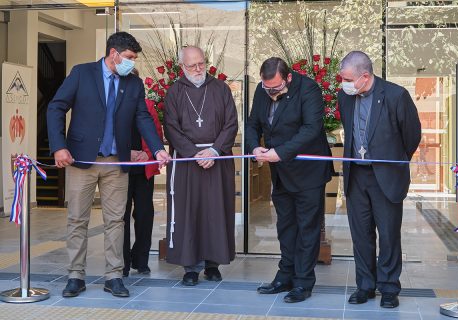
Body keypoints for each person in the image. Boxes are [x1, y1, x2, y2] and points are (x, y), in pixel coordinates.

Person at [47, 32, 170, 298]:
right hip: (82, 159)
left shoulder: (134, 84)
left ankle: (114, 275)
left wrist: (158, 149)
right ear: (113, 54)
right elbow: (56, 107)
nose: (132, 63)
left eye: (134, 59)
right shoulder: (82, 73)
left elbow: (143, 119)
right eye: (129, 57)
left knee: (116, 220)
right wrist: (59, 146)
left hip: (117, 162)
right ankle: (75, 276)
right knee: (77, 219)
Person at [245, 57, 333, 303]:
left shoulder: (308, 89)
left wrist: (281, 152)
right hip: (280, 172)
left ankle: (303, 282)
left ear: (289, 78)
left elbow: (312, 128)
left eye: (275, 88)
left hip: (308, 172)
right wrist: (254, 148)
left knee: (307, 228)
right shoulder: (263, 90)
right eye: (267, 88)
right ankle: (285, 276)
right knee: (285, 226)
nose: (270, 93)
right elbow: (253, 124)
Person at [338, 51, 421, 308]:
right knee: (361, 235)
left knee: (388, 234)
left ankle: (388, 287)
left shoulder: (395, 95)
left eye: (348, 79)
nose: (344, 84)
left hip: (385, 175)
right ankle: (365, 285)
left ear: (365, 76)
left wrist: (392, 160)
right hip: (356, 175)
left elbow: (411, 135)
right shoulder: (345, 96)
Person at [163, 46, 238, 286]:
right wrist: (195, 154)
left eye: (201, 63)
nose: (198, 69)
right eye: (192, 65)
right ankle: (190, 267)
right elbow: (171, 128)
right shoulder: (174, 92)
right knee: (189, 213)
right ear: (182, 67)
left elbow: (231, 123)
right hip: (187, 162)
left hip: (217, 159)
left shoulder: (220, 89)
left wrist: (214, 151)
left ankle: (213, 264)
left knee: (215, 212)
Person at [123, 96, 164, 277]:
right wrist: (126, 153)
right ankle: (122, 263)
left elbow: (156, 133)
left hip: (143, 169)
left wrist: (146, 154)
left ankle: (141, 260)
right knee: (120, 218)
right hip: (120, 169)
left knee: (144, 215)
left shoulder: (147, 105)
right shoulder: (113, 101)